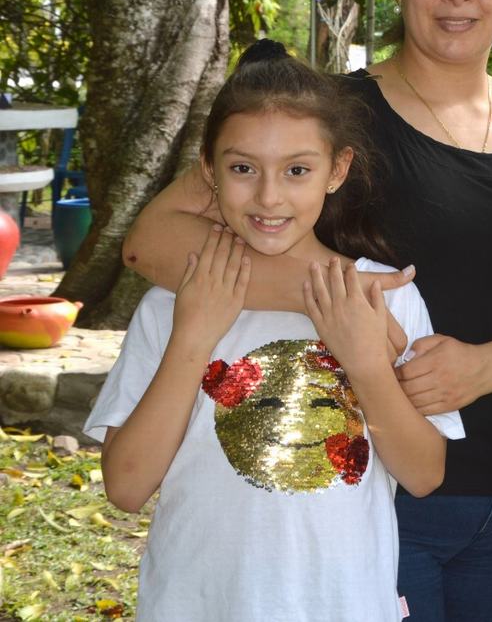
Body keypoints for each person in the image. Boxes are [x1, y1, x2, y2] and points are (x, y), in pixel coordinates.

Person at [122, 0, 492, 622]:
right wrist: (345, 301)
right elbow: (151, 243)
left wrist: (490, 365)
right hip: (371, 495)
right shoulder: (326, 118)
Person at [86, 42, 465, 621]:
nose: (268, 196)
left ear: (336, 170)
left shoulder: (385, 296)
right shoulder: (170, 303)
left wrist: (365, 362)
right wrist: (192, 339)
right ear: (208, 173)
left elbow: (423, 475)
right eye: (242, 169)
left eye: (297, 170)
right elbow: (127, 487)